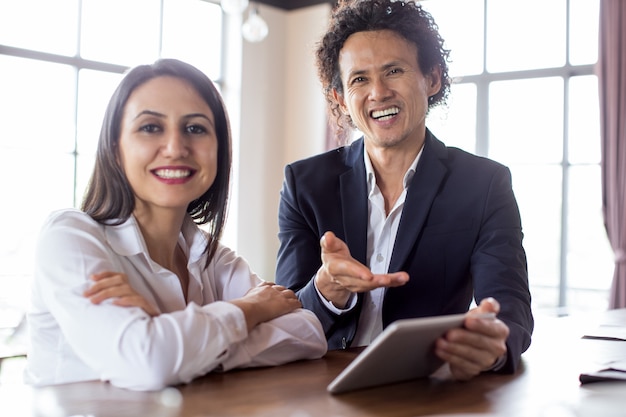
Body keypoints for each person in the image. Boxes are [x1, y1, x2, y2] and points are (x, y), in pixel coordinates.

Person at [25, 58, 327, 391]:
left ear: (219, 150)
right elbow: (149, 364)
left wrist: (176, 339)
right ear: (115, 147)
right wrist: (248, 309)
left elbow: (308, 333)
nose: (175, 148)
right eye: (151, 127)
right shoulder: (69, 237)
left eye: (195, 128)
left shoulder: (211, 256)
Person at [275, 0, 533, 381]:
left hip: (429, 386)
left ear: (432, 79)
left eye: (393, 71)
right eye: (359, 79)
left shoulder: (485, 184)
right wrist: (328, 288)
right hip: (321, 386)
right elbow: (287, 318)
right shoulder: (304, 184)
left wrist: (492, 344)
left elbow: (510, 309)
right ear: (341, 98)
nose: (378, 92)